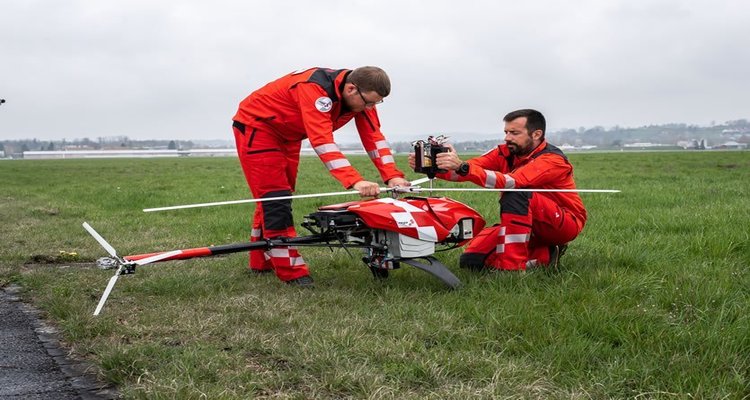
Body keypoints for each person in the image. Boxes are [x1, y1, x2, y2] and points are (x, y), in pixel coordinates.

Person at [232, 67, 410, 286]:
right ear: (351, 89)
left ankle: (261, 261)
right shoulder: (315, 90)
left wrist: (393, 176)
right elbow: (322, 141)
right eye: (369, 103)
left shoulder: (360, 96)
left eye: (376, 103)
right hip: (257, 128)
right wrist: (355, 180)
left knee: (276, 196)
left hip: (289, 136)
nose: (371, 108)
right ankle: (292, 272)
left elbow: (375, 138)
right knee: (275, 200)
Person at [409, 109, 586, 270]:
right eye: (506, 132)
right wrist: (436, 167)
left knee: (516, 195)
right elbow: (470, 170)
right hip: (526, 220)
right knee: (471, 261)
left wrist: (462, 167)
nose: (507, 138)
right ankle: (546, 254)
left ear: (536, 134)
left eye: (514, 133)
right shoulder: (504, 152)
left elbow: (512, 182)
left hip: (563, 222)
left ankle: (512, 270)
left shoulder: (552, 160)